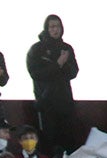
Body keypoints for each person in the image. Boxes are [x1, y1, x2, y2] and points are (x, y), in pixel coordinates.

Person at [26, 14, 80, 150]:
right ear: (47, 29)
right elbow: (36, 74)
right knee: (49, 143)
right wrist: (57, 64)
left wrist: (64, 64)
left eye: (58, 26)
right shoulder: (37, 49)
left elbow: (74, 72)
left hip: (65, 102)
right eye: (52, 27)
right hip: (46, 103)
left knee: (68, 142)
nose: (56, 30)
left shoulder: (67, 48)